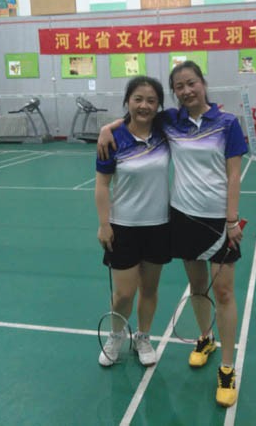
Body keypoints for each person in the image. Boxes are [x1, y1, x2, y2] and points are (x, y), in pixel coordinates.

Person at [98, 61, 248, 407]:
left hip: (219, 221)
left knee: (224, 292)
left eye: (191, 83)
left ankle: (227, 368)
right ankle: (205, 338)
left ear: (203, 83)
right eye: (179, 86)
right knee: (198, 288)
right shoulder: (171, 120)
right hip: (182, 217)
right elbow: (138, 115)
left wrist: (231, 220)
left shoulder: (227, 124)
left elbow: (234, 175)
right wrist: (108, 126)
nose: (186, 90)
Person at [95, 75, 171, 368]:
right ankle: (116, 335)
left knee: (149, 290)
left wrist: (108, 125)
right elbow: (102, 185)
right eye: (138, 99)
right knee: (124, 293)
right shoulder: (113, 139)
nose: (144, 105)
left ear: (158, 105)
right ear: (127, 101)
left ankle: (143, 337)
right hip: (123, 226)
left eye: (151, 100)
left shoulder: (164, 131)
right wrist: (104, 224)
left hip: (158, 224)